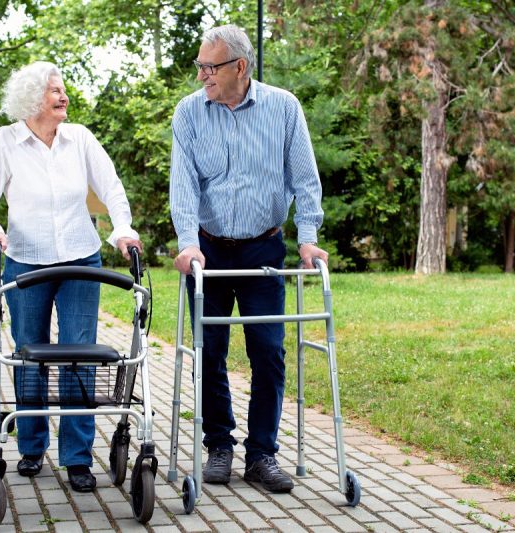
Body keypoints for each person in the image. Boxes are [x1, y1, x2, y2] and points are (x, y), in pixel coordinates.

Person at [0, 61, 142, 493]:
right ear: (30, 99)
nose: (63, 97)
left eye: (63, 91)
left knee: (79, 354)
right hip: (25, 261)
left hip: (81, 260)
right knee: (29, 354)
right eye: (54, 92)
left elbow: (112, 188)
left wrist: (122, 230)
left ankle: (78, 458)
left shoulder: (79, 139)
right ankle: (31, 446)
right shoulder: (4, 142)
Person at [169, 25, 329, 493]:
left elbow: (305, 179)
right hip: (209, 248)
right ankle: (218, 446)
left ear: (239, 67)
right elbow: (183, 186)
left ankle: (261, 455)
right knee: (209, 351)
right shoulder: (189, 113)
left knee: (268, 350)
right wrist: (186, 242)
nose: (201, 75)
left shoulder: (283, 108)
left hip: (263, 248)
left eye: (209, 66)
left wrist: (308, 238)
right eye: (199, 66)